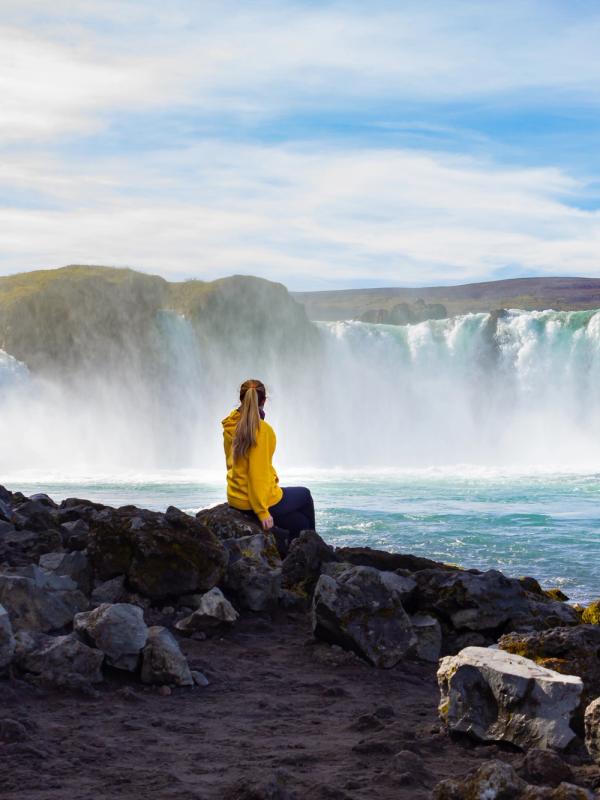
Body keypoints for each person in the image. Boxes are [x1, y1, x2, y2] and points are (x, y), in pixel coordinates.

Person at [222, 379, 315, 538]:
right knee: (305, 495)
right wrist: (262, 512)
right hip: (254, 501)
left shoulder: (230, 424)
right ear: (264, 400)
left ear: (241, 399)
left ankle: (292, 552)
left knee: (300, 523)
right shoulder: (262, 430)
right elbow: (257, 474)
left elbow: (231, 464)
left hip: (236, 496)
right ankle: (314, 549)